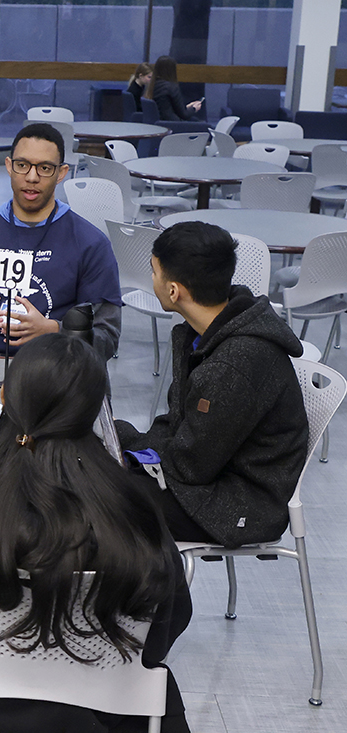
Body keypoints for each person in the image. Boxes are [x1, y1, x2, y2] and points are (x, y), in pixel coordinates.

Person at [0, 333, 192, 733]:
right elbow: (165, 624)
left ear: (6, 399)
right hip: (100, 705)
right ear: (94, 413)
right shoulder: (134, 509)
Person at [116, 222, 308, 547]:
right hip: (215, 474)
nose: (153, 281)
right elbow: (179, 424)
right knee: (98, 476)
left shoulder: (234, 363)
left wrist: (127, 445)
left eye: (154, 272)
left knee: (103, 500)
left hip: (240, 503)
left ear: (174, 290)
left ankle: (144, 597)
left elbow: (191, 465)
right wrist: (126, 445)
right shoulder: (207, 332)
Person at [0, 123, 122, 359]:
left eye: (45, 168)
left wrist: (55, 331)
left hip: (56, 371)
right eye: (22, 165)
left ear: (61, 173)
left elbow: (107, 340)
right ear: (9, 166)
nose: (32, 177)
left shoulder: (91, 244)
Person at [148, 56, 203, 122]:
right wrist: (194, 108)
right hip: (173, 124)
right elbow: (184, 115)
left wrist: (188, 107)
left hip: (160, 123)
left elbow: (167, 107)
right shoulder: (171, 87)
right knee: (202, 124)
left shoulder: (151, 85)